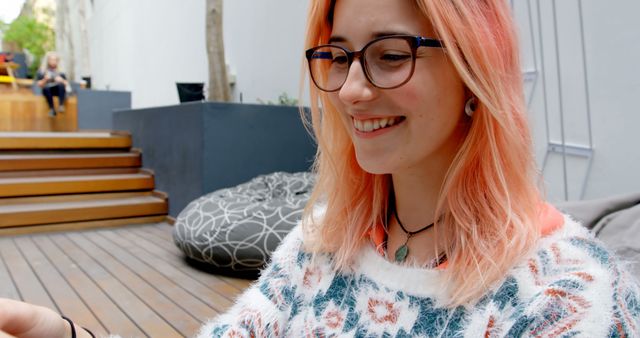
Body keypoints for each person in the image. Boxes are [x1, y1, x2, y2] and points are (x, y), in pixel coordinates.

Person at [1, 0, 639, 337]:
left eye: (390, 55)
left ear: (475, 72)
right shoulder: (322, 243)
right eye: (337, 56)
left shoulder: (569, 297)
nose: (353, 91)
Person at [36, 51, 69, 117]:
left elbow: (66, 84)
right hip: (47, 91)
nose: (53, 62)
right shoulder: (42, 71)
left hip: (58, 90)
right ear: (47, 60)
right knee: (46, 88)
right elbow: (39, 84)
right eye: (51, 60)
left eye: (55, 60)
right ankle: (52, 109)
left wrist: (61, 80)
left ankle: (61, 106)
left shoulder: (61, 71)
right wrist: (45, 79)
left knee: (61, 85)